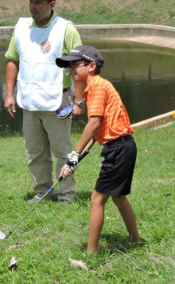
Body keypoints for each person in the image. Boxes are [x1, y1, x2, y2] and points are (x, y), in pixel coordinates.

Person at [56, 45, 141, 254]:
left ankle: (91, 253)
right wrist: (75, 159)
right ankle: (136, 241)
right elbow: (97, 131)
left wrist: (73, 155)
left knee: (97, 199)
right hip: (123, 146)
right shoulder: (96, 86)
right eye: (69, 66)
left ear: (91, 66)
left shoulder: (96, 86)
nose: (71, 70)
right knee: (118, 197)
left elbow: (93, 123)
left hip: (119, 148)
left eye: (75, 64)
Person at [4, 0, 84, 203]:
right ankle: (43, 193)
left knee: (63, 152)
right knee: (35, 153)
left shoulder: (66, 29)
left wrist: (79, 101)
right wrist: (9, 94)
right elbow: (13, 60)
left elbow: (80, 68)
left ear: (52, 3)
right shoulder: (21, 27)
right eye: (31, 2)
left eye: (38, 2)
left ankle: (66, 195)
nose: (33, 6)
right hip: (30, 102)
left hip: (59, 100)